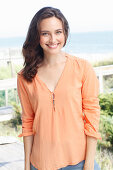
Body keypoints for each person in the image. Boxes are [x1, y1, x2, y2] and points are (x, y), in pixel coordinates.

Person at [17, 7, 101, 170]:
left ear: (65, 33)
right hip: (40, 164)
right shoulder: (25, 77)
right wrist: (27, 166)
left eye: (58, 32)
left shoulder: (82, 68)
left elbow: (92, 118)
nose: (53, 39)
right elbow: (27, 122)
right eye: (45, 33)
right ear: (37, 36)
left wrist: (89, 164)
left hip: (80, 162)